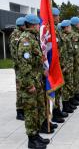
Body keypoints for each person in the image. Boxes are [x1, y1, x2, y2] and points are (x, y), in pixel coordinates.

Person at [17, 14, 50, 149]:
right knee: (31, 112)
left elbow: (36, 62)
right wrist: (29, 85)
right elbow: (24, 66)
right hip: (29, 83)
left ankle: (36, 136)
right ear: (33, 25)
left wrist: (43, 71)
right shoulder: (25, 40)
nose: (39, 27)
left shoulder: (33, 38)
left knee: (37, 110)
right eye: (38, 25)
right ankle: (32, 140)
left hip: (36, 81)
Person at [51, 7, 68, 124]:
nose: (58, 18)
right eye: (56, 16)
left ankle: (57, 110)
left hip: (59, 65)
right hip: (53, 66)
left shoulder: (56, 30)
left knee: (58, 90)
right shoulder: (49, 31)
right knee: (54, 90)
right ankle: (54, 112)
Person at [9, 17, 26, 121]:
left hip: (23, 65)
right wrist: (20, 65)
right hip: (19, 66)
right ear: (21, 25)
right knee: (20, 88)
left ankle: (23, 108)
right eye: (25, 25)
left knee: (24, 87)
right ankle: (19, 111)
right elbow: (15, 53)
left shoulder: (21, 34)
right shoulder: (15, 36)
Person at [60, 20, 77, 113]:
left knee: (69, 83)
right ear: (66, 27)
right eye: (69, 27)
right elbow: (62, 54)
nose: (71, 28)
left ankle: (69, 103)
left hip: (69, 64)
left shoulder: (66, 37)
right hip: (65, 65)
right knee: (65, 85)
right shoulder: (63, 37)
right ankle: (66, 105)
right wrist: (64, 66)